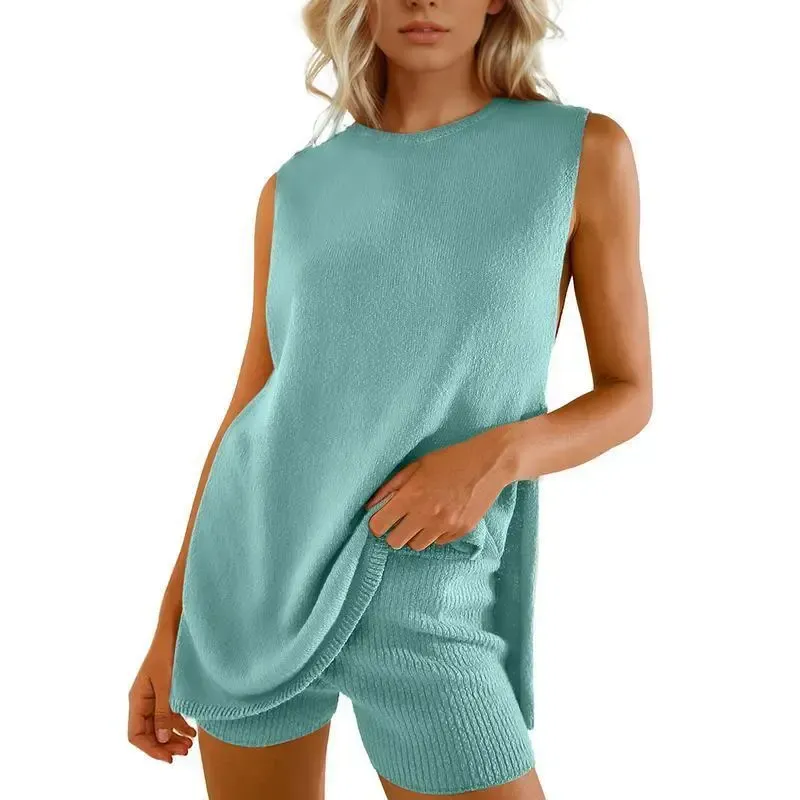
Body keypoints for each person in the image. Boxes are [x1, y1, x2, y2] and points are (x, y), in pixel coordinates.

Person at [127, 0, 651, 797]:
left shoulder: (581, 153)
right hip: (253, 584)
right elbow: (251, 408)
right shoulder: (293, 190)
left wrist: (495, 458)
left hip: (428, 593)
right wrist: (171, 624)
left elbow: (629, 393)